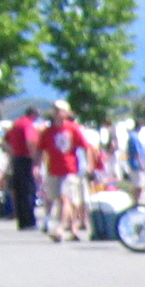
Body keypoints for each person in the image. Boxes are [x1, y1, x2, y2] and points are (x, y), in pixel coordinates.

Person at [40, 101, 92, 241]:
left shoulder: (73, 129)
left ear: (67, 113)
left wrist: (89, 165)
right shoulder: (47, 131)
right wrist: (36, 165)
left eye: (60, 110)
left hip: (69, 169)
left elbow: (86, 147)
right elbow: (41, 150)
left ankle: (60, 228)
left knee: (65, 198)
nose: (57, 112)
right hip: (53, 169)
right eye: (55, 110)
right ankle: (73, 228)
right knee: (59, 199)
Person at [4, 105, 40, 229]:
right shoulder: (28, 125)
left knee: (19, 191)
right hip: (26, 159)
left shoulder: (16, 124)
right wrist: (35, 159)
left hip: (16, 159)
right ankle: (30, 221)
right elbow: (30, 141)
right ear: (33, 115)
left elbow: (5, 141)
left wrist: (12, 151)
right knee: (28, 191)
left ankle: (22, 221)